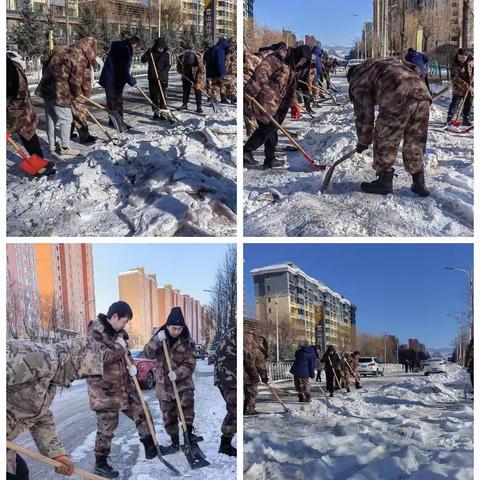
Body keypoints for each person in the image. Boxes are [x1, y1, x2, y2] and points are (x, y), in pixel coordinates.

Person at [7, 337, 105, 480]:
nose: (76, 378)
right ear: (76, 361)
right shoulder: (41, 358)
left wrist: (58, 456)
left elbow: (41, 418)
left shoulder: (49, 380)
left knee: (19, 472)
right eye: (81, 373)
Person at [87, 301, 156, 478]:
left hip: (125, 387)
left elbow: (127, 356)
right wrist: (119, 347)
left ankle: (151, 446)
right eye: (124, 321)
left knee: (143, 411)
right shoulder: (94, 333)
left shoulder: (120, 335)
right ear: (115, 317)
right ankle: (101, 463)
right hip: (104, 390)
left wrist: (132, 367)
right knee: (107, 428)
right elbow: (100, 358)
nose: (125, 325)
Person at [348, 58, 432, 197]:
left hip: (397, 97)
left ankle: (384, 181)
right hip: (422, 93)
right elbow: (416, 68)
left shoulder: (359, 80)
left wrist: (364, 140)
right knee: (415, 139)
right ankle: (419, 182)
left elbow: (364, 113)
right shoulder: (386, 61)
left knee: (385, 137)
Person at [143, 307, 201, 455]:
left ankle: (188, 436)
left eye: (179, 328)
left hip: (183, 384)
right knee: (168, 416)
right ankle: (174, 442)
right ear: (167, 326)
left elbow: (190, 364)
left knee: (186, 410)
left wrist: (177, 373)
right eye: (173, 328)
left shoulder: (188, 342)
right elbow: (147, 353)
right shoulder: (159, 337)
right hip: (164, 385)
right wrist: (156, 340)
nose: (176, 331)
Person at [244, 45, 312, 169]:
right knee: (268, 127)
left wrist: (294, 104)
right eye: (301, 59)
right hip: (266, 98)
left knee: (273, 128)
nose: (301, 63)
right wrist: (249, 92)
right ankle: (246, 151)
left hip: (280, 102)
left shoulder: (293, 67)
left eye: (304, 62)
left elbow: (291, 89)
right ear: (297, 54)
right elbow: (261, 72)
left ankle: (270, 158)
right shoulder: (280, 57)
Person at [36, 37, 98, 157]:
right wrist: (78, 95)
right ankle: (65, 148)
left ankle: (52, 146)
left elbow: (45, 63)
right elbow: (75, 81)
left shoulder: (63, 48)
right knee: (66, 119)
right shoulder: (79, 57)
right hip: (60, 91)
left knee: (51, 118)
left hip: (46, 86)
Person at [7, 56, 56, 176]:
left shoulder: (11, 65)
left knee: (28, 133)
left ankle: (40, 163)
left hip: (19, 105)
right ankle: (40, 163)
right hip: (17, 105)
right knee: (27, 133)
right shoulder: (12, 64)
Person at [99, 36, 141, 125]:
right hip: (112, 80)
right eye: (136, 48)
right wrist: (132, 82)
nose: (135, 50)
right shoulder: (125, 50)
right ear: (134, 44)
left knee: (114, 102)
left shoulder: (120, 46)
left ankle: (115, 122)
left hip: (113, 79)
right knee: (115, 103)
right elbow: (124, 70)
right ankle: (117, 123)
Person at [214, 327, 237, 456]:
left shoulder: (236, 331)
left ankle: (226, 442)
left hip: (228, 376)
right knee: (235, 410)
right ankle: (225, 444)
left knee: (234, 410)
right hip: (229, 376)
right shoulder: (237, 332)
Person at [141, 38, 171, 119]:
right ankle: (156, 113)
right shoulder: (151, 53)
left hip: (162, 78)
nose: (161, 49)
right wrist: (147, 53)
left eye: (162, 48)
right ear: (156, 46)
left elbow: (167, 66)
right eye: (159, 48)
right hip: (153, 78)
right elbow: (143, 60)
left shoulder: (166, 54)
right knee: (154, 96)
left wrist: (161, 75)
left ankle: (163, 113)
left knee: (163, 96)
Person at [447, 49, 474, 126]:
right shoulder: (454, 64)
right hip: (458, 88)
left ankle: (466, 119)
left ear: (467, 56)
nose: (461, 59)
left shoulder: (472, 63)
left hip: (470, 89)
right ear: (457, 56)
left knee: (468, 104)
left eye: (463, 57)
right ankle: (449, 119)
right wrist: (466, 86)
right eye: (460, 57)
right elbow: (455, 78)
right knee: (455, 104)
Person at [244, 332, 268, 415]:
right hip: (248, 377)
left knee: (244, 394)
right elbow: (259, 365)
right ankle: (250, 410)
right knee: (252, 393)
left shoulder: (244, 346)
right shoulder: (255, 350)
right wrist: (262, 377)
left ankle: (244, 409)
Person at [177, 46, 206, 113]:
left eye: (191, 65)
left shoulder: (199, 60)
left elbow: (201, 72)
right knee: (186, 89)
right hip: (186, 74)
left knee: (198, 90)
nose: (190, 66)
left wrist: (198, 82)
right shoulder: (181, 58)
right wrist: (180, 70)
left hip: (196, 74)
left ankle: (199, 107)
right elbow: (178, 67)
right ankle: (184, 104)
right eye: (188, 64)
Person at [203, 37, 230, 103]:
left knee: (215, 85)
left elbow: (204, 57)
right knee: (225, 84)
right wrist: (222, 73)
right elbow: (219, 62)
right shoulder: (220, 50)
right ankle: (225, 98)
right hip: (218, 72)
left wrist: (209, 63)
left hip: (210, 71)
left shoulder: (212, 48)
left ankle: (215, 99)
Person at [224, 36, 237, 103]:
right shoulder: (230, 49)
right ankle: (232, 97)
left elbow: (227, 59)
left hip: (232, 69)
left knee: (231, 83)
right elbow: (227, 59)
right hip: (231, 69)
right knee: (230, 83)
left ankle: (232, 97)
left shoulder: (230, 49)